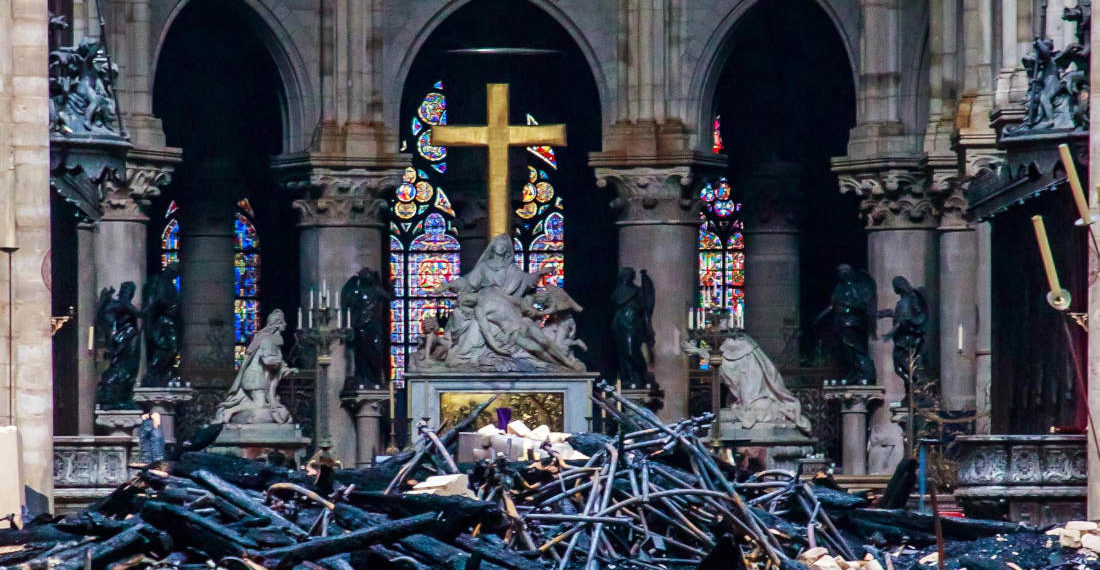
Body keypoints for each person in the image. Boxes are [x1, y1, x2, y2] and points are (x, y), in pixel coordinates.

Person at [214, 309, 297, 424]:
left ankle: (231, 411)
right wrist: (279, 364)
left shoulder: (270, 338)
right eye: (283, 322)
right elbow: (267, 359)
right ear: (277, 324)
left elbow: (275, 358)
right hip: (255, 377)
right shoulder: (266, 339)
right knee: (260, 404)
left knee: (261, 404)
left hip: (260, 376)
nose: (286, 324)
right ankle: (229, 411)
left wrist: (286, 369)